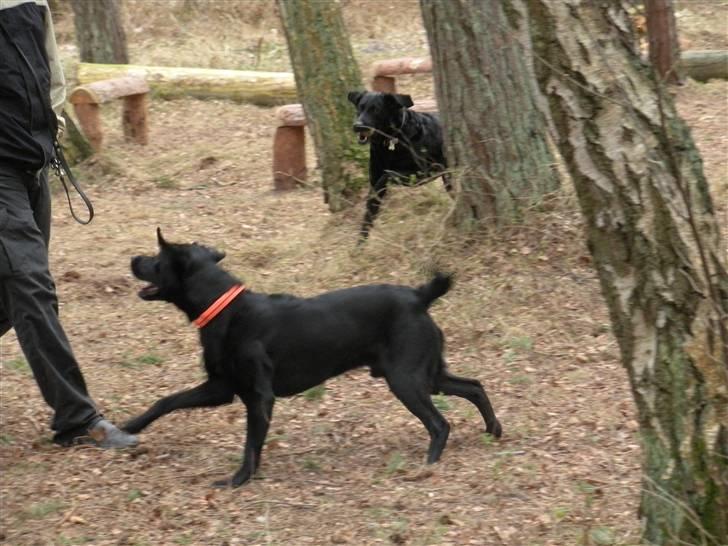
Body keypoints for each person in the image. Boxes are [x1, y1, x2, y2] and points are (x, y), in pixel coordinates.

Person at [0, 0, 137, 448]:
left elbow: (49, 67)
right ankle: (77, 419)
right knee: (30, 283)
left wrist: (50, 128)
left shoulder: (28, 1)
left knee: (10, 297)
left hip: (31, 159)